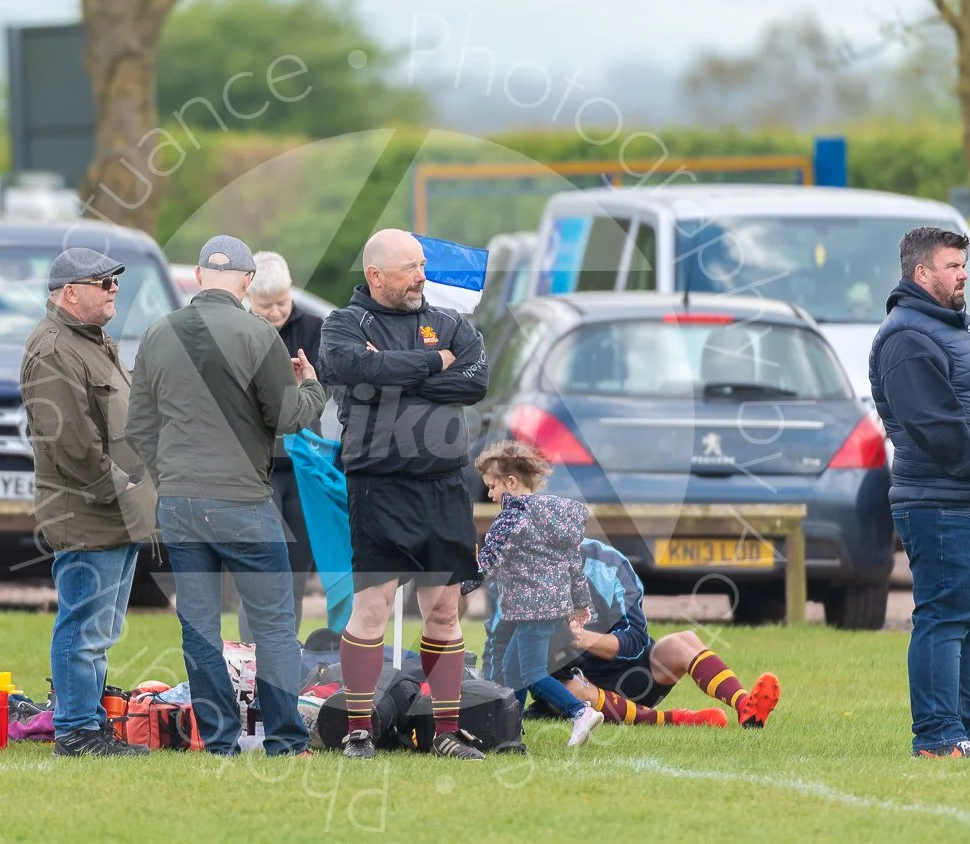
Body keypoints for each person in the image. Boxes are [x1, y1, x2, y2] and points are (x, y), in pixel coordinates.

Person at [126, 234, 327, 757]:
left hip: (180, 502)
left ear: (196, 276)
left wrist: (169, 478)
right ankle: (285, 739)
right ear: (245, 282)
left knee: (199, 626)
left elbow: (140, 426)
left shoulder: (156, 333)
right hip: (242, 501)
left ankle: (218, 741)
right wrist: (313, 388)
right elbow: (286, 418)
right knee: (275, 625)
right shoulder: (259, 333)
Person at [318, 228, 490, 761]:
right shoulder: (344, 324)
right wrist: (434, 364)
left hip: (443, 485)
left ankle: (444, 732)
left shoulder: (448, 321)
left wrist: (399, 376)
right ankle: (359, 731)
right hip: (380, 484)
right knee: (372, 607)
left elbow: (476, 380)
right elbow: (356, 369)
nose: (422, 275)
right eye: (410, 267)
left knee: (443, 612)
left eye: (421, 264)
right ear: (375, 275)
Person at [870, 226, 970, 759]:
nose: (963, 273)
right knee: (944, 619)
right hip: (949, 504)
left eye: (963, 265)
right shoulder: (907, 336)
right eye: (951, 265)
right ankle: (939, 737)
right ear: (921, 273)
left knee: (966, 625)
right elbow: (931, 423)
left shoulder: (944, 328)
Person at [20, 246, 151, 758]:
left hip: (115, 509)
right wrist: (122, 488)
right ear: (70, 293)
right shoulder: (53, 349)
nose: (114, 289)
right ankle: (75, 731)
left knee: (103, 629)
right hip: (88, 511)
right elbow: (71, 443)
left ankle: (90, 724)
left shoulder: (91, 340)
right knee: (84, 626)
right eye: (104, 282)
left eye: (115, 281)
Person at [475, 529, 780, 730]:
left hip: (631, 670)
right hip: (575, 687)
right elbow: (502, 655)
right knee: (573, 689)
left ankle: (745, 706)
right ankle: (679, 720)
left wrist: (584, 638)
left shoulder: (608, 563)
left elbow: (635, 639)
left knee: (683, 640)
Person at [472, 440, 604, 748]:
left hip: (530, 609)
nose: (490, 494)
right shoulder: (555, 516)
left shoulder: (511, 517)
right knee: (514, 669)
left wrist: (462, 583)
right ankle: (510, 733)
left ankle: (579, 712)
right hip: (552, 606)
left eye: (492, 487)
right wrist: (580, 603)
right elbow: (573, 561)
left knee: (529, 671)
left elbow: (488, 558)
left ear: (512, 483)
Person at [237, 250, 325, 633]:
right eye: (264, 306)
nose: (274, 313)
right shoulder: (238, 331)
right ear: (247, 300)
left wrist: (303, 383)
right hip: (258, 468)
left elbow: (325, 390)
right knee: (259, 570)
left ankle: (288, 654)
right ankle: (250, 658)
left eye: (282, 303)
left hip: (304, 463)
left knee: (295, 571)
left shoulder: (315, 328)